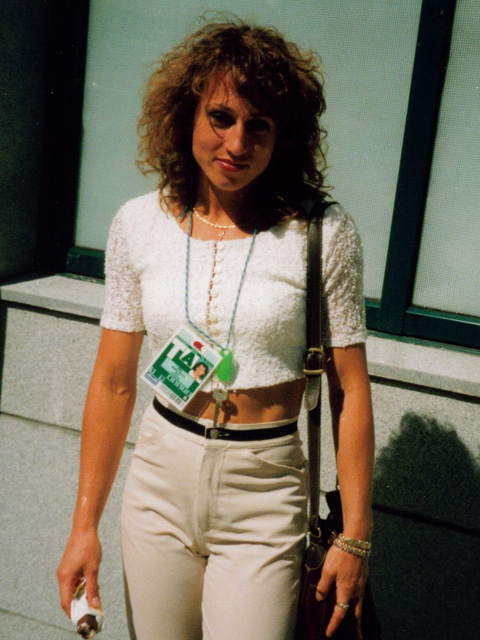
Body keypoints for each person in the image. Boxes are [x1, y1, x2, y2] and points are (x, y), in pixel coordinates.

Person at [57, 19, 374, 640]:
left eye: (259, 126)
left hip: (266, 488)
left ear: (284, 136)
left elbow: (351, 390)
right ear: (187, 116)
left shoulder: (321, 232)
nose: (236, 142)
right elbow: (114, 383)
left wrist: (356, 535)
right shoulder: (137, 224)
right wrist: (83, 525)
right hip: (159, 480)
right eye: (221, 117)